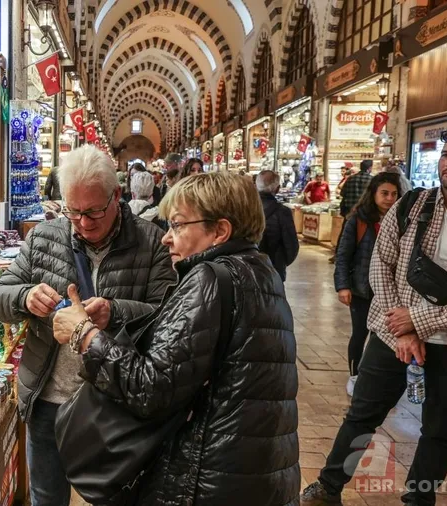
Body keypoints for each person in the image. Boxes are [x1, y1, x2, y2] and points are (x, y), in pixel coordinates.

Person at [52, 172, 300, 505]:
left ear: (220, 231)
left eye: (178, 225)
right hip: (254, 473)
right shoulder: (260, 271)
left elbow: (152, 388)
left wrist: (84, 335)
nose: (166, 238)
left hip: (210, 477)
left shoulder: (210, 278)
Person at [302, 121, 447, 506]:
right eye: (446, 154)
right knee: (362, 415)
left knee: (438, 429)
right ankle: (329, 487)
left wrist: (420, 321)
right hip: (392, 335)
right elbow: (381, 266)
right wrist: (403, 329)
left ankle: (418, 500)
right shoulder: (411, 205)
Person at [0, 144, 177, 506]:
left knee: (115, 498)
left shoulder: (151, 241)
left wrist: (114, 312)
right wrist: (24, 297)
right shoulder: (44, 236)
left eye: (94, 212)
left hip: (115, 404)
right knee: (47, 496)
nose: (84, 223)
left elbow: (167, 315)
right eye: (73, 212)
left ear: (116, 195)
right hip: (48, 399)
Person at [333, 173, 403, 397]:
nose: (389, 198)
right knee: (360, 333)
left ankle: (376, 378)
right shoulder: (359, 220)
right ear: (373, 194)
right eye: (384, 193)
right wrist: (343, 286)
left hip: (391, 291)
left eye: (394, 194)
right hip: (363, 289)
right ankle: (355, 376)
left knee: (383, 335)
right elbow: (343, 254)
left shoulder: (403, 219)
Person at [257, 170, 300, 281]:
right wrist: (281, 262)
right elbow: (292, 246)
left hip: (248, 269)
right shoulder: (283, 212)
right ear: (277, 188)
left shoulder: (245, 209)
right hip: (275, 269)